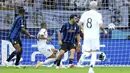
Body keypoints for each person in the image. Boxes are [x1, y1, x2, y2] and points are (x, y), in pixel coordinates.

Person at [78, 1, 107, 73]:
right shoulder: (98, 14)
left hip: (86, 35)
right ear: (96, 7)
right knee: (94, 52)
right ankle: (91, 69)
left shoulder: (85, 14)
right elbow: (100, 26)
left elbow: (79, 24)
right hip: (94, 36)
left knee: (87, 50)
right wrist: (104, 31)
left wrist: (83, 29)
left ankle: (84, 55)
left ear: (89, 7)